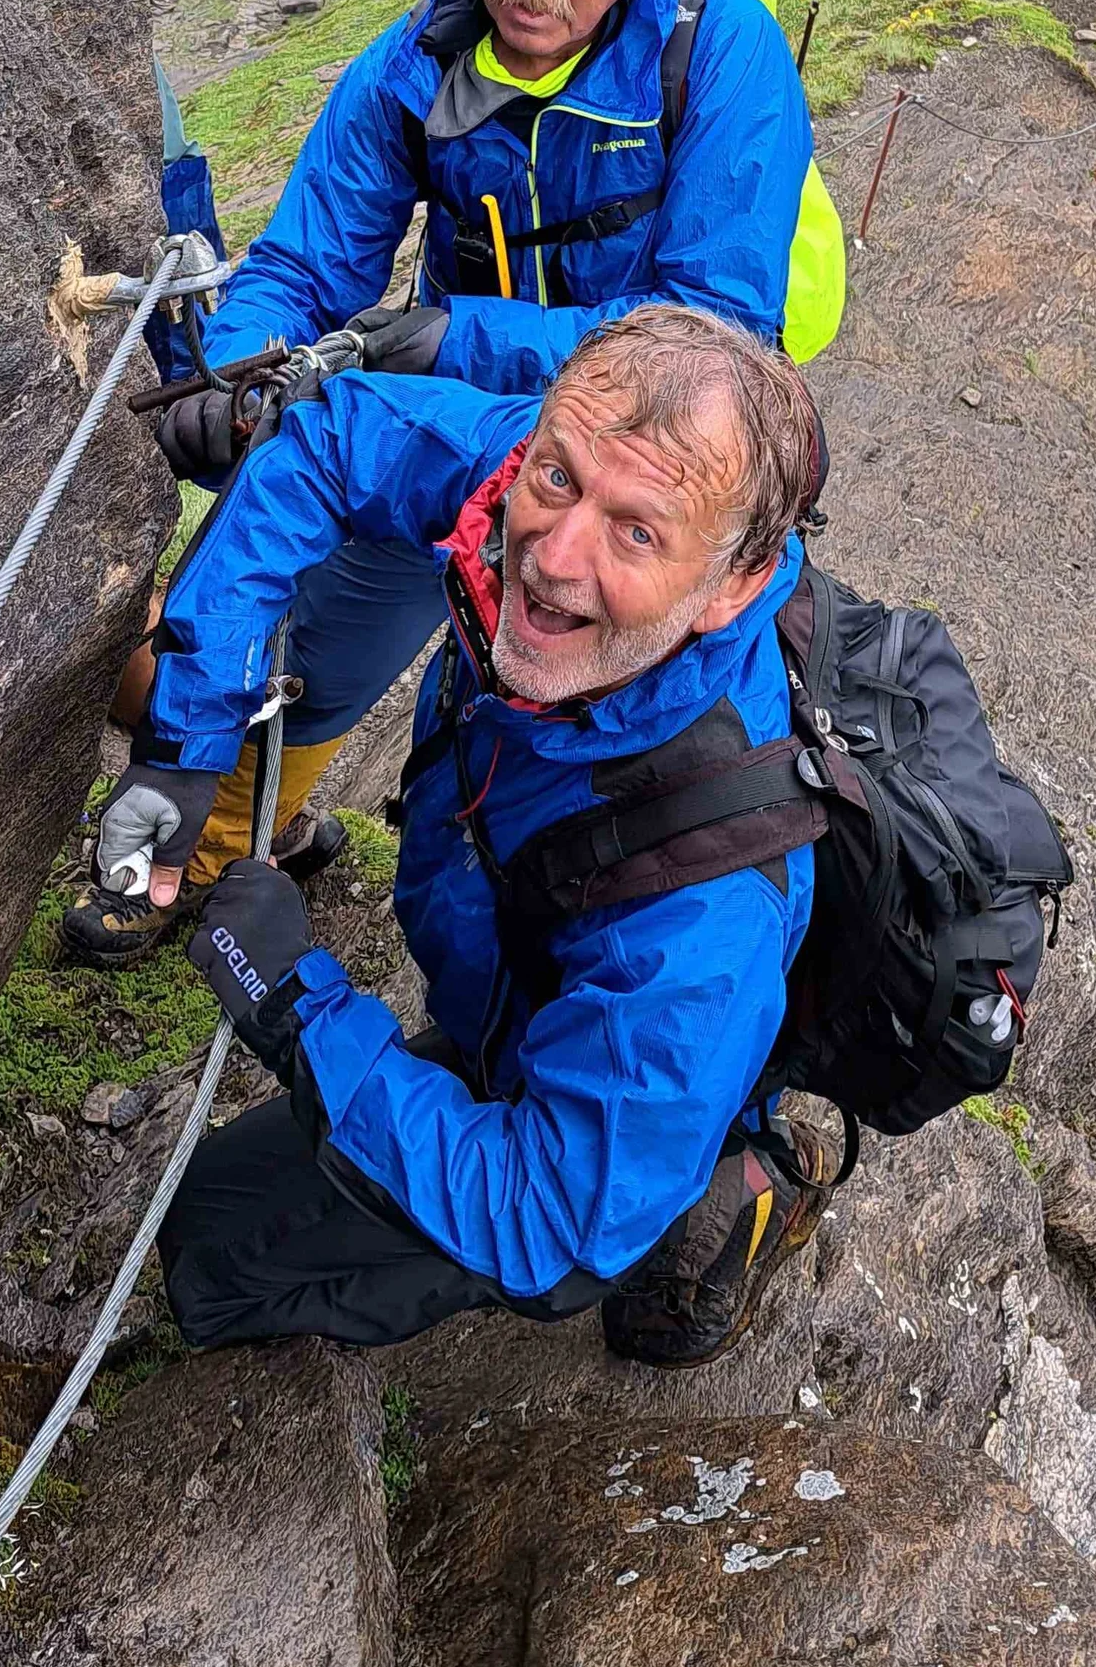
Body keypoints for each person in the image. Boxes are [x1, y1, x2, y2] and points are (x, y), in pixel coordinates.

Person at [67, 0, 832, 965]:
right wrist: (233, 373)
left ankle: (553, 949)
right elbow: (304, 264)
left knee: (579, 698)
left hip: (652, 464)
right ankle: (214, 845)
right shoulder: (417, 59)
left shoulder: (724, 59)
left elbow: (714, 338)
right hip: (454, 417)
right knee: (318, 659)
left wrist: (451, 338)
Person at [108, 304, 835, 1365]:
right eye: (557, 478)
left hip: (610, 1085)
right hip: (525, 973)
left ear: (734, 584)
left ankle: (738, 1183)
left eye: (637, 531)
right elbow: (331, 437)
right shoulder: (536, 479)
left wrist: (293, 1006)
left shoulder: (701, 926)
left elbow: (544, 1219)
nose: (551, 555)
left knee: (211, 1253)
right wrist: (187, 733)